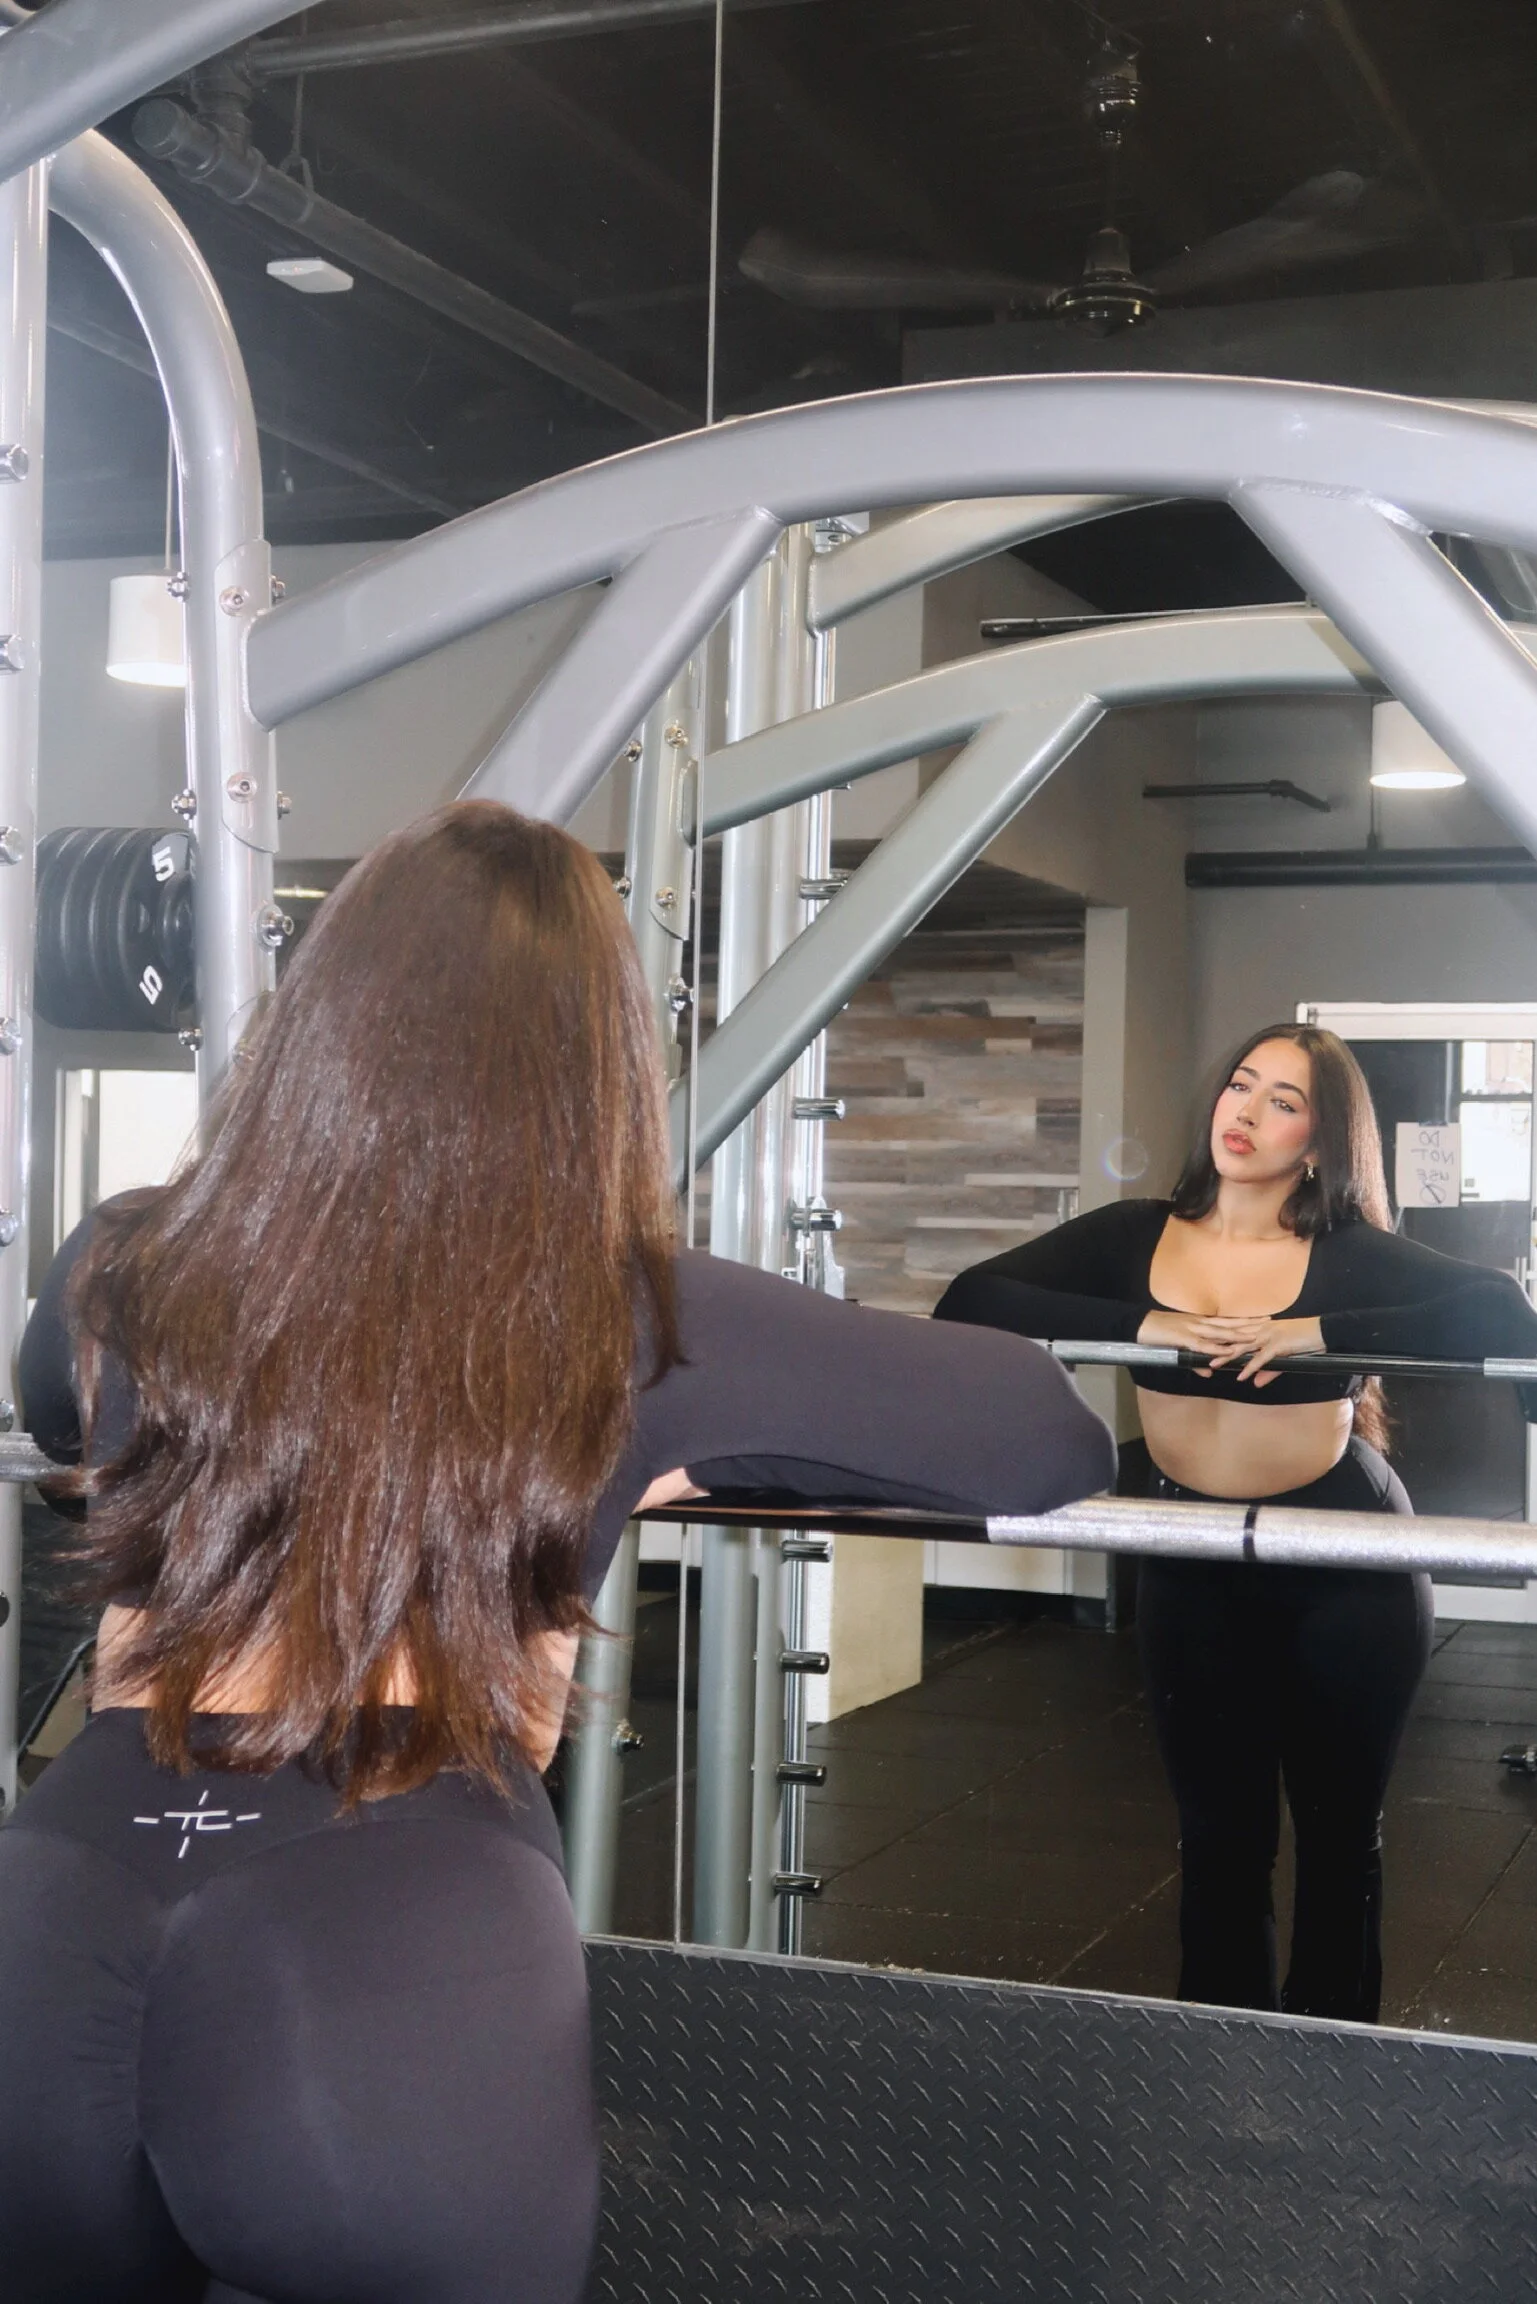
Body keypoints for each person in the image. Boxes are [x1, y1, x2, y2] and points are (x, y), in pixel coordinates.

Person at [0, 800, 1114, 2304]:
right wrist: (657, 1444)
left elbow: (59, 1404)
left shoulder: (127, 1256)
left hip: (68, 1878)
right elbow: (1044, 1437)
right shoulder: (624, 1314)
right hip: (387, 1905)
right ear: (596, 1070)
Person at [934, 1022, 1537, 2025]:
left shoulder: (1346, 1254)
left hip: (1344, 1554)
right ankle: (1218, 2062)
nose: (1246, 1114)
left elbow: (1501, 1313)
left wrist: (1313, 1334)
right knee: (1218, 1840)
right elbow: (970, 1300)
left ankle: (1334, 2060)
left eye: (1283, 1102)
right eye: (1240, 1086)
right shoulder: (1133, 1237)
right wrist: (1145, 1325)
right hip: (1193, 1554)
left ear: (1321, 1140)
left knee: (1339, 1840)